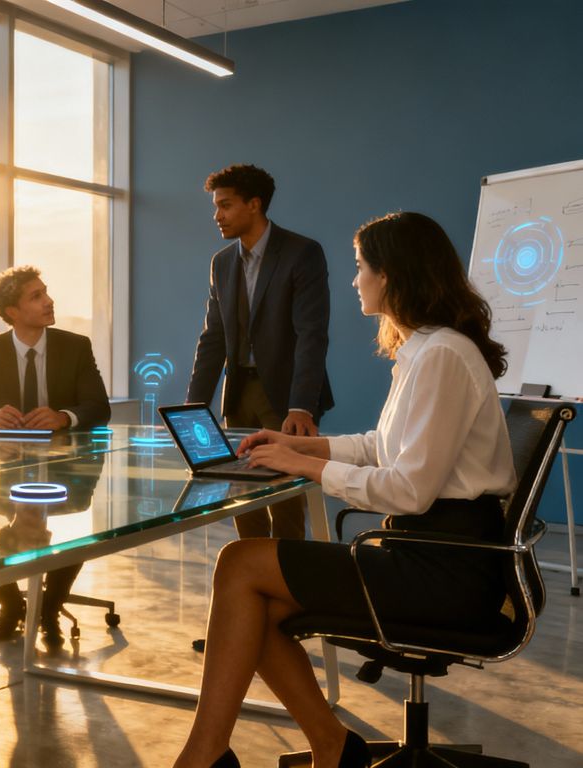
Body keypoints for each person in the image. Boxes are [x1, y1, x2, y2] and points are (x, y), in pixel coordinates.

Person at [174, 211, 516, 768]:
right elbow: (384, 446)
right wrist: (305, 448)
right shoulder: (428, 351)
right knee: (250, 604)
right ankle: (329, 747)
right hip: (433, 553)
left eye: (361, 268)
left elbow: (409, 491)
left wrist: (304, 468)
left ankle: (207, 756)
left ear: (393, 275)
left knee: (240, 567)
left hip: (444, 568)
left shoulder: (442, 357)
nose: (355, 280)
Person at [0, 265, 111, 647]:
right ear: (12, 311)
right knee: (2, 534)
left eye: (46, 292)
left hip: (66, 466)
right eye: (36, 296)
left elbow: (98, 406)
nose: (48, 301)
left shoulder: (75, 346)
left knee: (76, 539)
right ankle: (11, 607)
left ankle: (48, 611)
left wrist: (64, 417)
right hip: (5, 467)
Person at [186, 164, 333, 541]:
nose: (217, 215)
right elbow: (213, 339)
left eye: (225, 205)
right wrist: (193, 409)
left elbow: (311, 335)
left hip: (285, 396)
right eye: (216, 206)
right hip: (238, 396)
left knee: (285, 499)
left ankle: (288, 585)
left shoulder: (302, 253)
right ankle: (252, 579)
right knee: (240, 495)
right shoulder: (221, 263)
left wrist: (302, 405)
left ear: (254, 204)